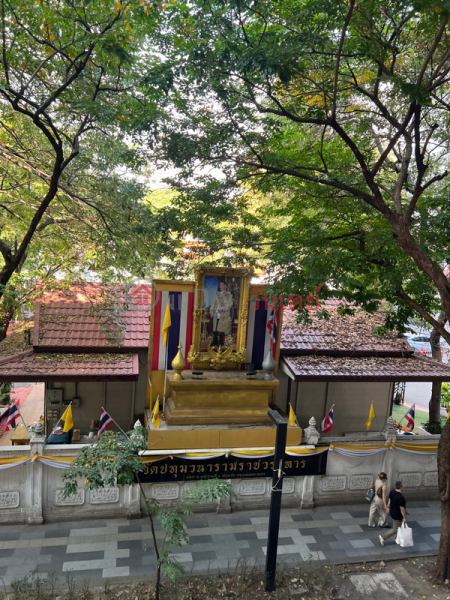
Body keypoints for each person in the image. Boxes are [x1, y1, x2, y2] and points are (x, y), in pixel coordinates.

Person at [379, 480, 406, 546]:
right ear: (401, 487)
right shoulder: (401, 498)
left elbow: (390, 500)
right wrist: (404, 517)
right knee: (395, 529)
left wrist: (387, 507)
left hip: (392, 512)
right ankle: (383, 537)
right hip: (398, 515)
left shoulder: (392, 492)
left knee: (398, 526)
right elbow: (402, 509)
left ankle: (398, 538)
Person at [210, 281, 233, 347]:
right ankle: (214, 342)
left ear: (225, 286)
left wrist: (223, 308)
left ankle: (220, 342)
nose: (221, 286)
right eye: (220, 285)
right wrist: (211, 311)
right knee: (215, 328)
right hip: (216, 313)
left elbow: (230, 304)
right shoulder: (217, 294)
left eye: (222, 285)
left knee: (221, 329)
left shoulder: (228, 295)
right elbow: (213, 303)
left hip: (223, 314)